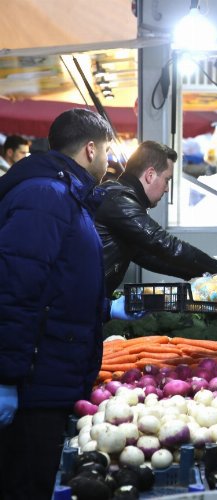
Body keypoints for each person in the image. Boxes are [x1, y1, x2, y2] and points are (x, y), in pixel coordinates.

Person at [0, 109, 114, 499]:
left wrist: (106, 309)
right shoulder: (45, 196)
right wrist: (6, 378)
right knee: (24, 484)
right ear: (90, 148)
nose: (109, 161)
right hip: (35, 379)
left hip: (49, 373)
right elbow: (16, 288)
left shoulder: (65, 194)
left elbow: (59, 280)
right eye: (108, 151)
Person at [96, 140, 217, 297]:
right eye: (167, 180)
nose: (166, 189)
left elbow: (148, 255)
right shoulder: (120, 200)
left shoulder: (117, 195)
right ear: (150, 175)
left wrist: (203, 275)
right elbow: (166, 244)